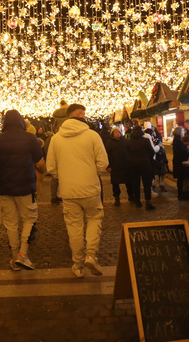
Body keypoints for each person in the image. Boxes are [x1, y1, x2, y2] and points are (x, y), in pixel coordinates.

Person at [46, 104, 109, 277]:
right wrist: (92, 171)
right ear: (81, 115)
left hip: (68, 190)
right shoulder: (92, 135)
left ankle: (78, 265)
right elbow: (103, 163)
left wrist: (64, 175)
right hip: (90, 188)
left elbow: (51, 168)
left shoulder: (56, 138)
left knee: (73, 227)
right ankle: (91, 254)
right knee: (95, 218)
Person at [0, 110, 46, 270]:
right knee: (29, 218)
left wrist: (3, 179)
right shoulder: (30, 138)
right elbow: (39, 158)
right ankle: (23, 254)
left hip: (6, 189)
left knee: (10, 223)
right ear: (21, 121)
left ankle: (14, 258)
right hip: (26, 186)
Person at [125, 125, 156, 210]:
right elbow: (152, 152)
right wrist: (147, 159)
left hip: (133, 165)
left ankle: (137, 201)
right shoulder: (145, 141)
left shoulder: (128, 142)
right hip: (145, 164)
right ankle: (148, 202)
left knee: (135, 183)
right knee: (147, 183)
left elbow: (126, 154)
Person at [104, 126, 132, 207]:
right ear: (112, 134)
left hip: (126, 165)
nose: (117, 134)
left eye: (118, 132)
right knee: (115, 184)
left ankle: (131, 196)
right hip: (115, 166)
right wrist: (108, 166)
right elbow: (107, 155)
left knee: (128, 182)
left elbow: (129, 152)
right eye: (115, 132)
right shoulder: (109, 143)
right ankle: (117, 198)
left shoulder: (125, 141)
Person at [49, 100, 70, 204]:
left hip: (58, 136)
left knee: (55, 175)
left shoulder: (56, 114)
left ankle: (54, 196)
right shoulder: (69, 112)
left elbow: (53, 126)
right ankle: (66, 193)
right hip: (68, 139)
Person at [171, 126, 189, 201]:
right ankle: (181, 194)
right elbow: (183, 151)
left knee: (180, 179)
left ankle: (181, 194)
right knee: (181, 179)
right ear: (179, 132)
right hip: (180, 163)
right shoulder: (177, 141)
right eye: (182, 131)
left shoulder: (177, 140)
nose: (184, 133)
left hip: (178, 162)